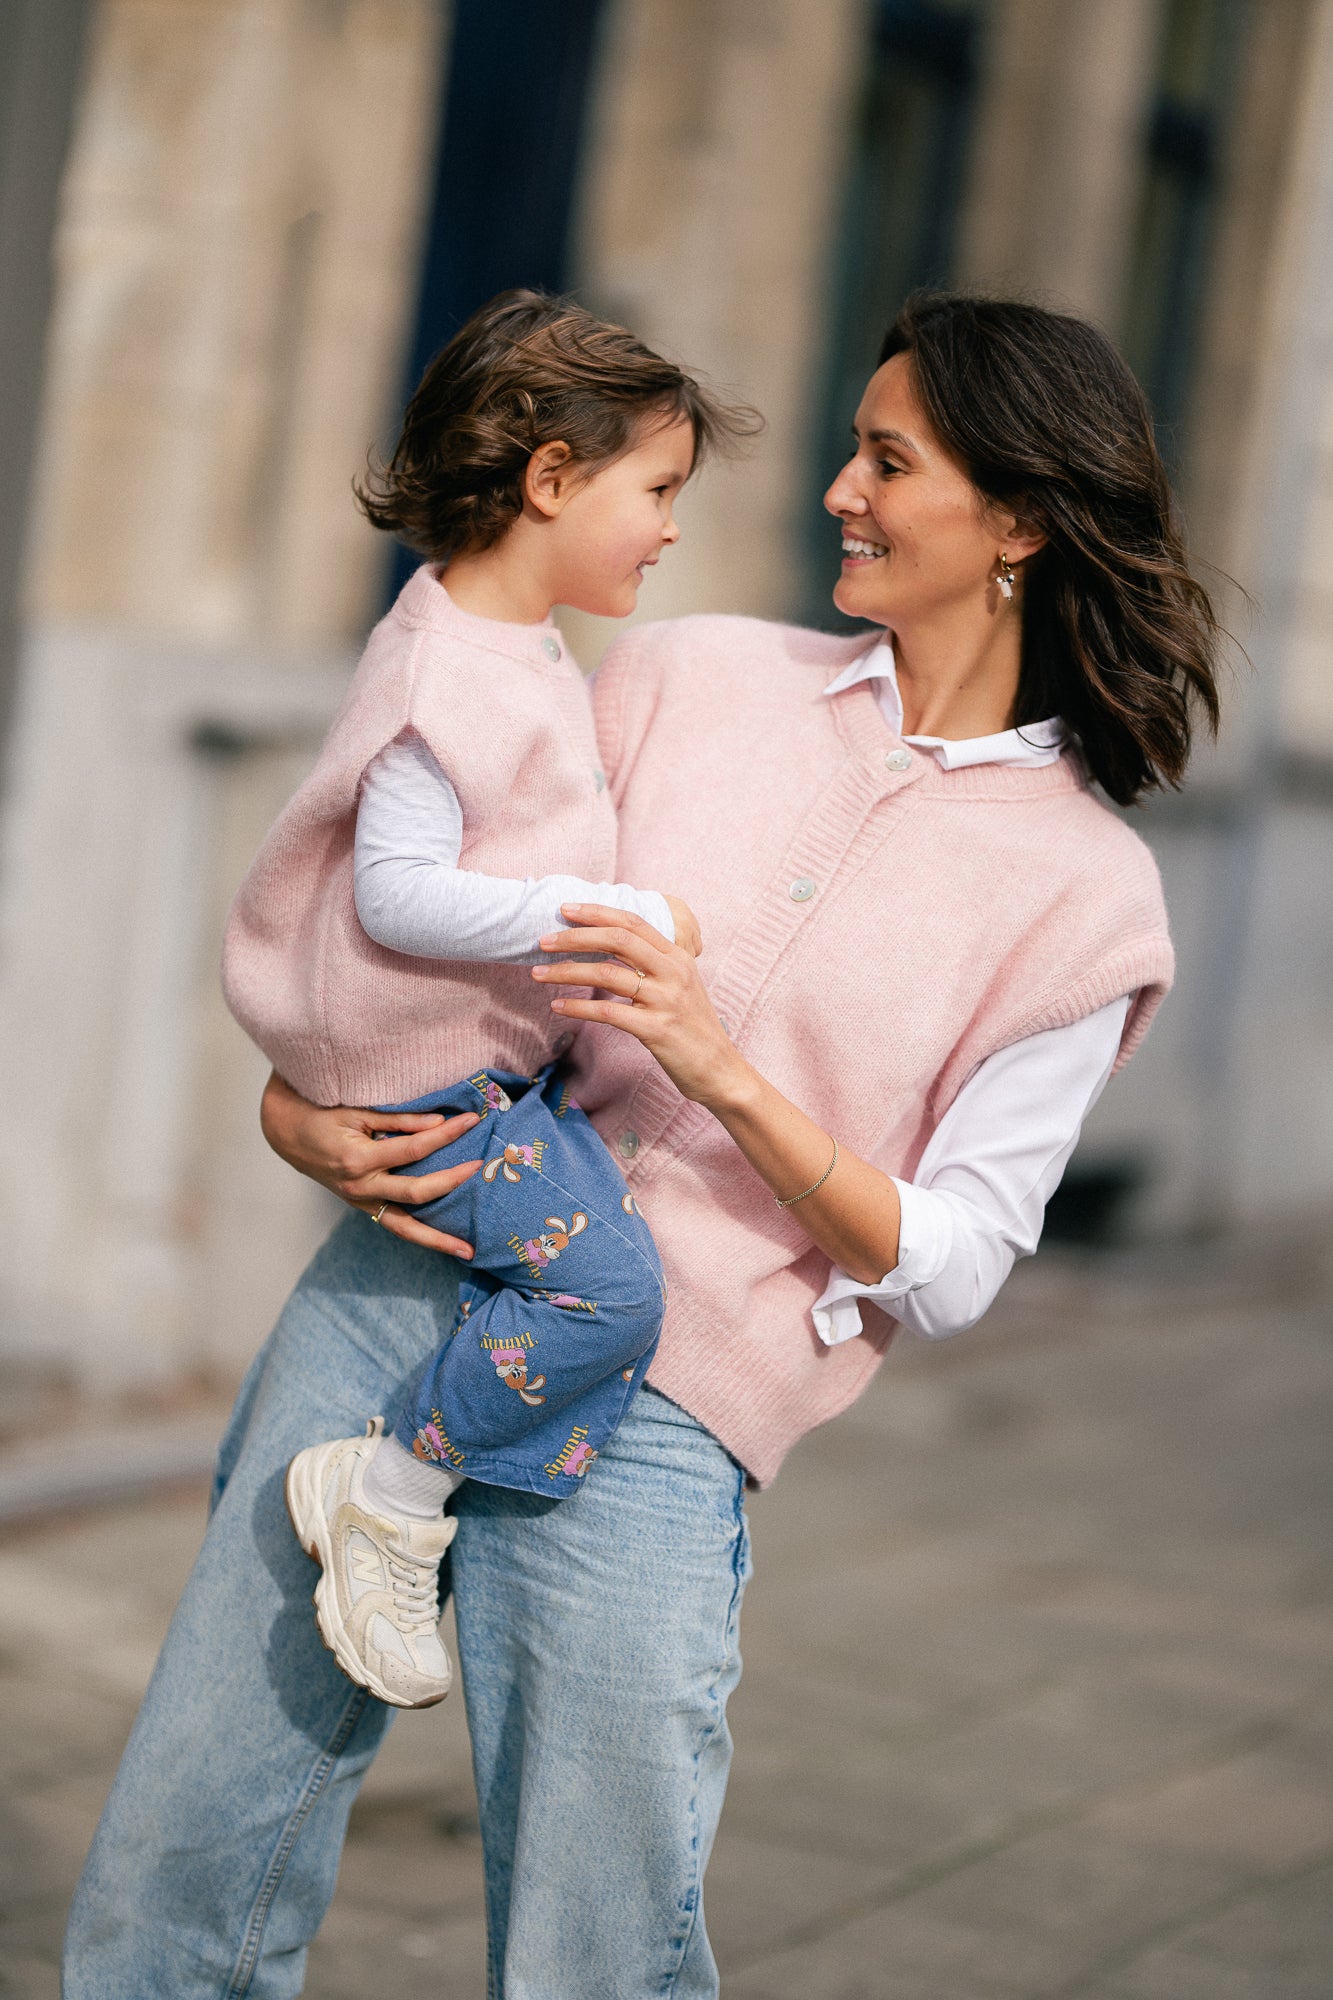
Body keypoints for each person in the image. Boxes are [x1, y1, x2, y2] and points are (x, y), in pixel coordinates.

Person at [64, 292, 1220, 2000]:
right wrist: (299, 1100)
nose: (836, 486)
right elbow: (420, 928)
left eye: (885, 459)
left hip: (666, 1415)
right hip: (406, 1288)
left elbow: (957, 1260)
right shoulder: (686, 675)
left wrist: (722, 1068)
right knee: (186, 1853)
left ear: (1021, 520)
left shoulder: (1085, 895)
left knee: (593, 1950)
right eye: (851, 447)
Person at [220, 287, 751, 1712]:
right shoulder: (440, 669)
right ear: (550, 479)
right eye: (656, 488)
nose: (671, 525)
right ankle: (390, 1494)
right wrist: (601, 917)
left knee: (596, 1283)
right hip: (431, 1098)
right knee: (608, 1291)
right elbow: (396, 891)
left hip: (476, 1087)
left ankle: (411, 1492)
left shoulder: (498, 644)